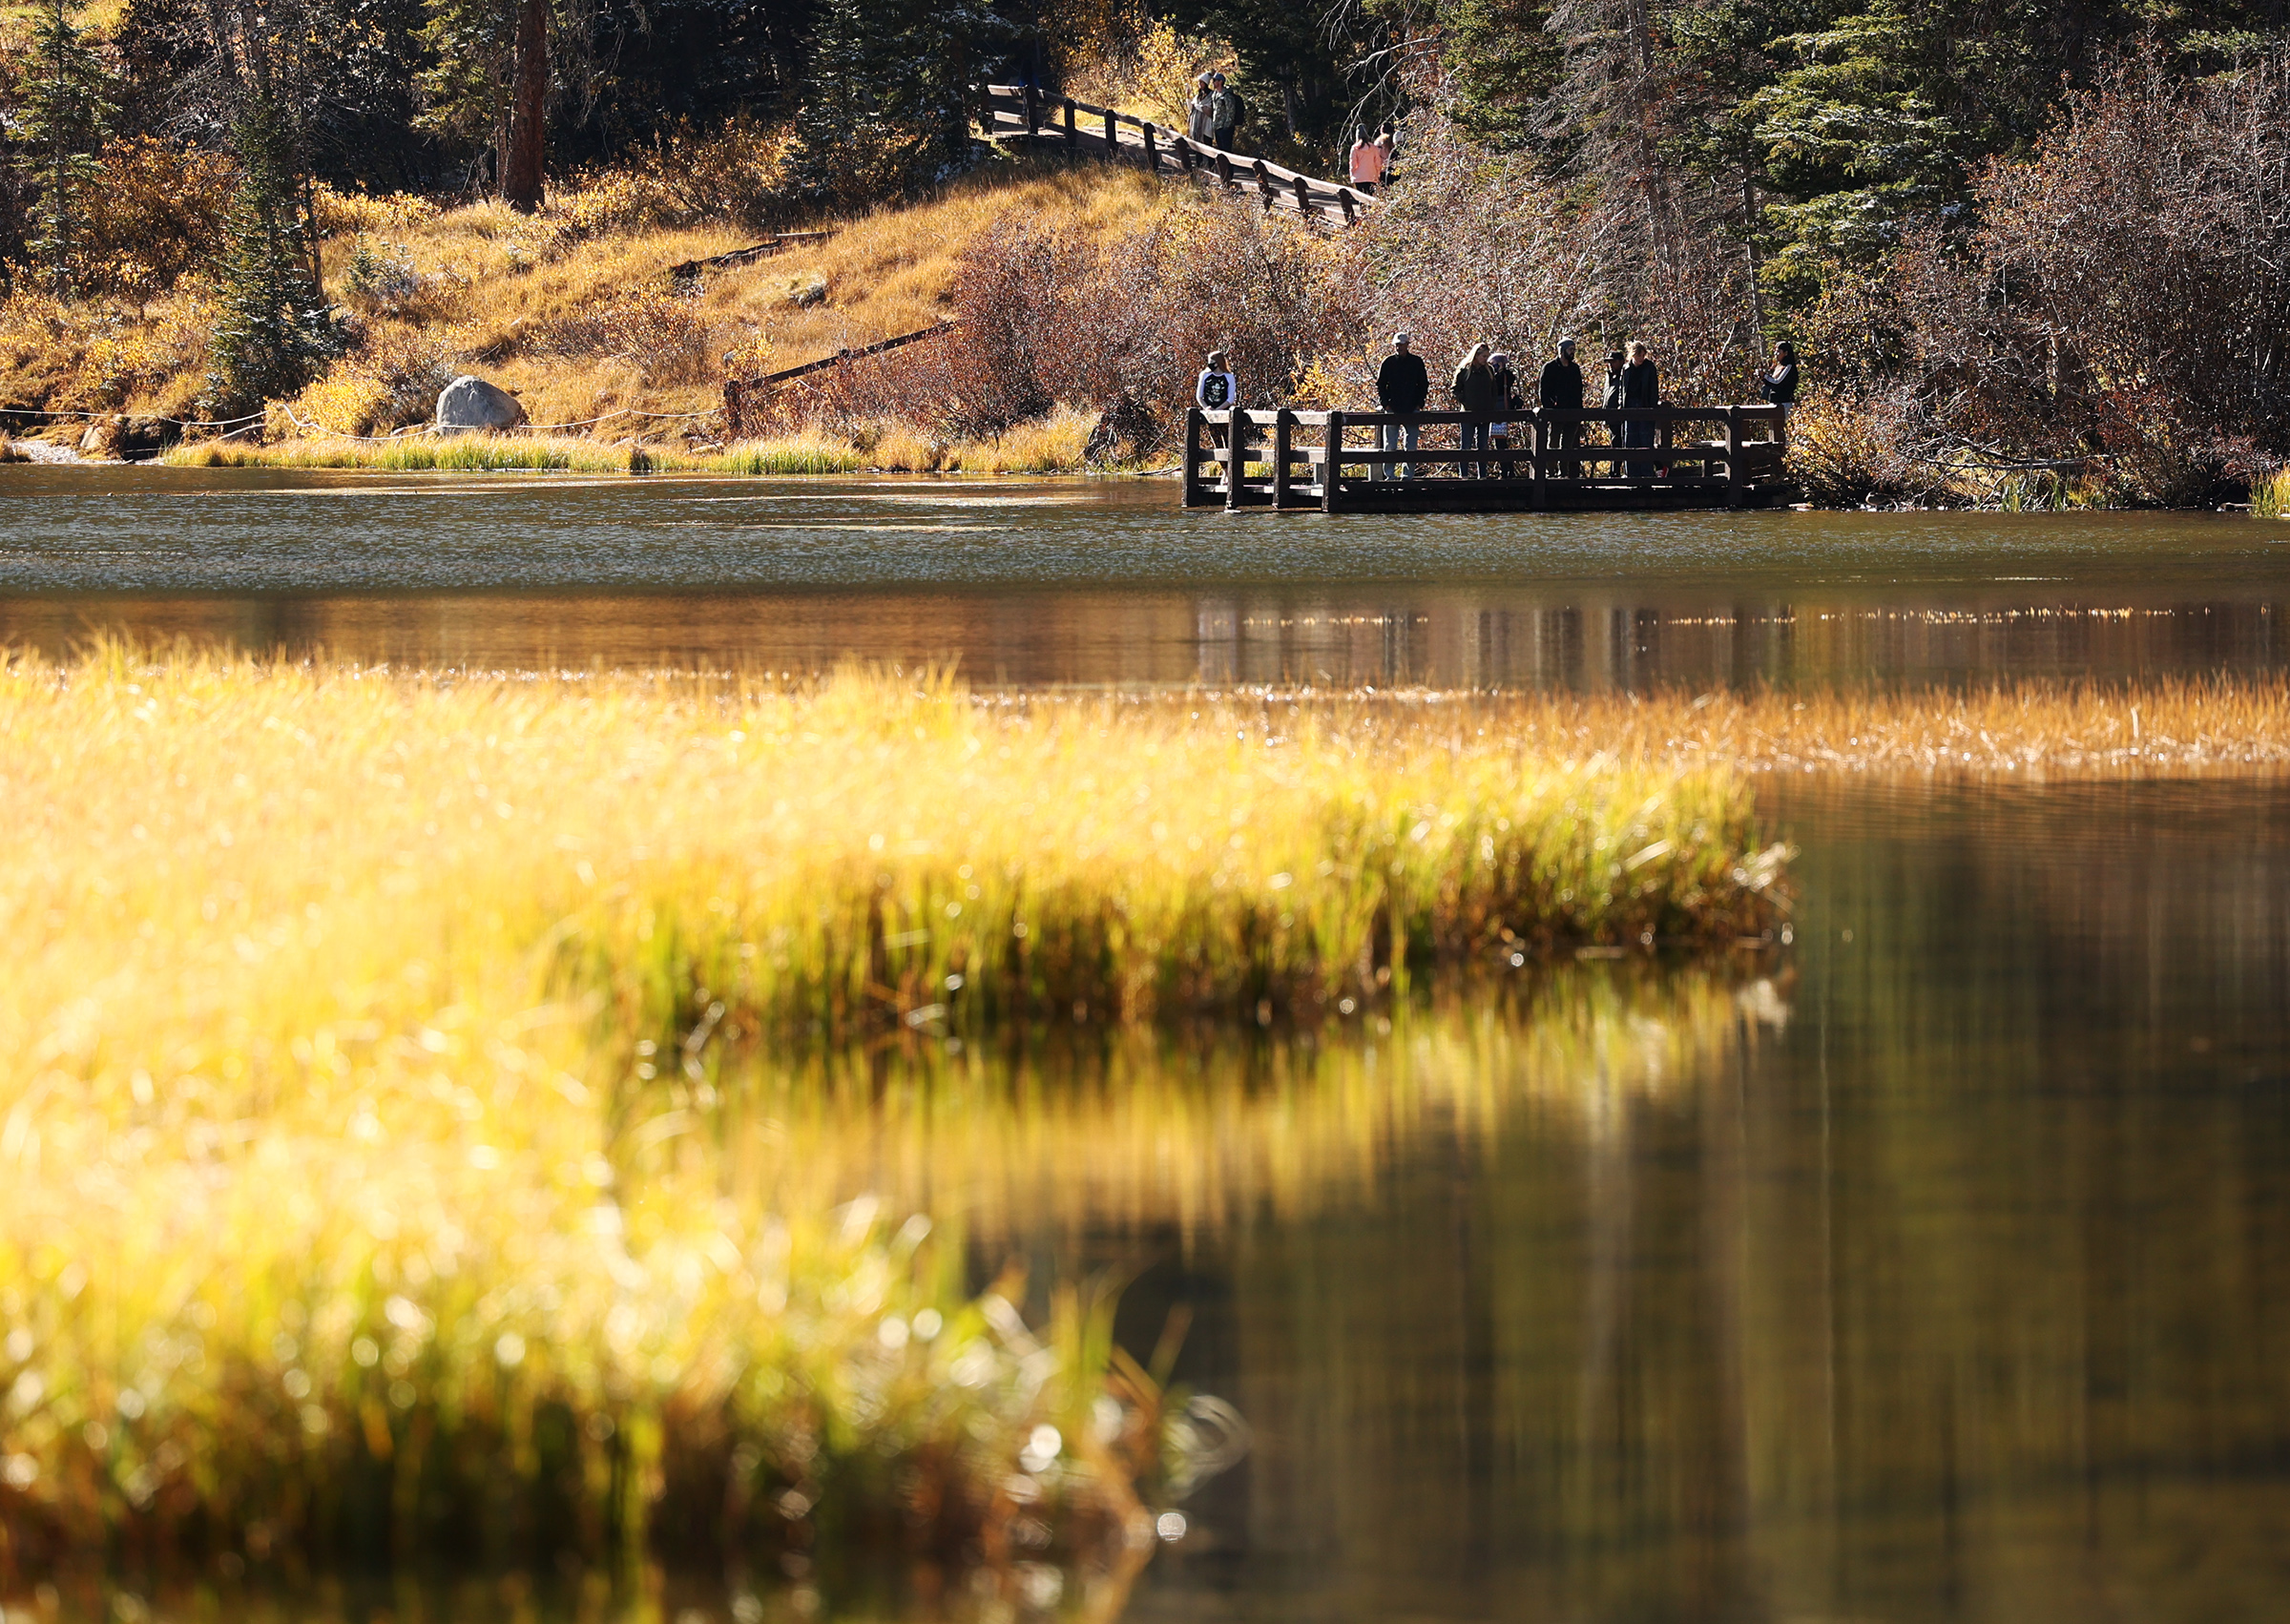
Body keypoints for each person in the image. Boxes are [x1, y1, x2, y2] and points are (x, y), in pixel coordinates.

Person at [1374, 330, 1427, 479]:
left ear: (1407, 345)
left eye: (1402, 344)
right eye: (1397, 345)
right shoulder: (1388, 362)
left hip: (1412, 408)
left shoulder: (1416, 362)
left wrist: (1419, 404)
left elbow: (1423, 384)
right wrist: (1386, 405)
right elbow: (1380, 385)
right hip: (1393, 408)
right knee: (1390, 445)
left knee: (1411, 446)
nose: (1399, 347)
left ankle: (1407, 476)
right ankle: (1389, 476)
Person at [1452, 343, 1503, 478]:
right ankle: (1463, 475)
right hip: (1468, 413)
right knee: (1466, 446)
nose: (1486, 359)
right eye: (1484, 356)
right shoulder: (1465, 370)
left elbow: (1494, 390)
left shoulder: (1489, 370)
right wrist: (1465, 401)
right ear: (1476, 355)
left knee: (1483, 446)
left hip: (1485, 413)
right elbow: (1455, 389)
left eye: (1487, 356)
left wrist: (1491, 405)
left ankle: (1483, 475)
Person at [1538, 338, 1585, 478]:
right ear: (1562, 350)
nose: (1572, 352)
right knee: (1553, 442)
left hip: (1572, 412)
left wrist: (1579, 411)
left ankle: (1564, 473)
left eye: (1573, 350)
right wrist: (1550, 408)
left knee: (1568, 445)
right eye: (1570, 349)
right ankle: (1550, 472)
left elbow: (1578, 390)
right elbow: (1544, 391)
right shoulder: (1549, 368)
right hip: (1555, 413)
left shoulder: (1574, 369)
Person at [1621, 342, 1658, 477]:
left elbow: (1653, 389)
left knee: (1645, 440)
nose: (1642, 358)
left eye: (1643, 355)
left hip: (1645, 405)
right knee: (1630, 440)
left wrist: (1652, 408)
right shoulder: (1626, 368)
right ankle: (1631, 474)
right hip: (1630, 406)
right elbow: (1623, 390)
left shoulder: (1649, 368)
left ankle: (1646, 475)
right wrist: (1622, 407)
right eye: (1639, 355)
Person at [1488, 351, 1523, 473]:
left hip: (1498, 409)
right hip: (1504, 408)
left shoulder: (1500, 377)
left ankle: (1506, 471)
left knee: (1500, 442)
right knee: (1501, 441)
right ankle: (1509, 470)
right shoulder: (1509, 376)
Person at [1209, 73, 1244, 153]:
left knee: (1226, 151)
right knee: (1220, 151)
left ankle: (1229, 165)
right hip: (1217, 126)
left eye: (1214, 80)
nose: (1213, 82)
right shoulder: (1215, 94)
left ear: (1220, 82)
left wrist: (1226, 127)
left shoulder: (1227, 95)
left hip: (1225, 128)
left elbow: (1231, 111)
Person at [1348, 126, 1388, 195]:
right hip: (1372, 176)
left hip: (1358, 177)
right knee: (1370, 197)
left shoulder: (1355, 148)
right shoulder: (1374, 148)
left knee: (1361, 198)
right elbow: (1378, 163)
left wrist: (1352, 175)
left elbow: (1353, 163)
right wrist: (1377, 174)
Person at [1763, 341, 1799, 410]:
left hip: (1784, 404)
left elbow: (1777, 382)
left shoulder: (1789, 366)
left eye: (1778, 351)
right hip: (1774, 402)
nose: (1776, 354)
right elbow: (1772, 383)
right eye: (1775, 351)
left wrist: (1765, 376)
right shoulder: (1778, 366)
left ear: (1786, 353)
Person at [1187, 76, 1216, 146]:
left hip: (1206, 124)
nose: (1199, 84)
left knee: (1208, 146)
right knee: (1197, 149)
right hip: (1196, 126)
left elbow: (1209, 109)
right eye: (1199, 82)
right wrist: (1187, 96)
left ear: (1205, 83)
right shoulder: (1198, 95)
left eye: (1201, 82)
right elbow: (1191, 108)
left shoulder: (1211, 95)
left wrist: (1197, 106)